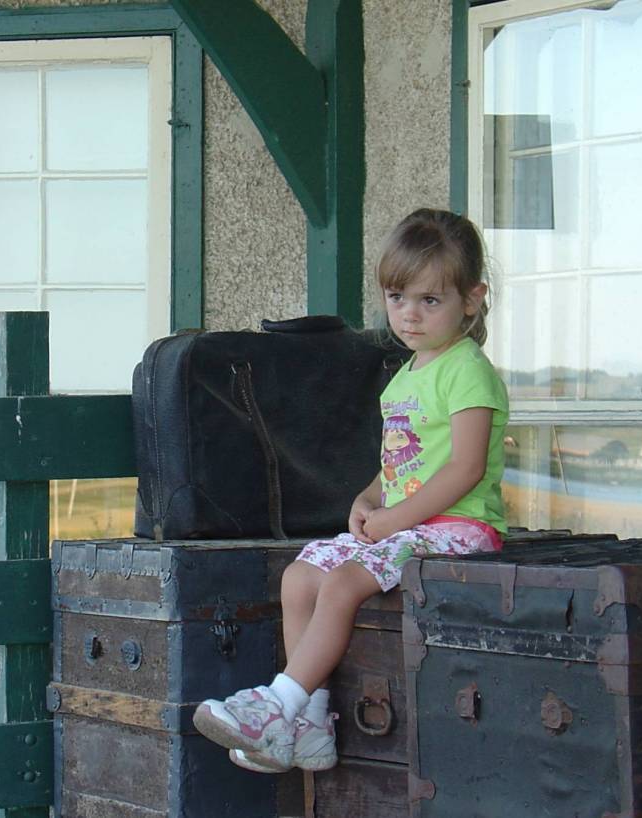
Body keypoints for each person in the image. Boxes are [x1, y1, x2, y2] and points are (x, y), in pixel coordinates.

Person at [193, 208, 510, 773]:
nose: (409, 314)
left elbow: (464, 468)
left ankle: (278, 704)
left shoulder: (467, 371)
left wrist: (396, 521)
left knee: (340, 585)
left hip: (458, 529)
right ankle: (309, 727)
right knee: (300, 577)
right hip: (407, 523)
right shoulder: (408, 372)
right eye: (396, 297)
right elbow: (396, 465)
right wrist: (369, 501)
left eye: (429, 300)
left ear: (472, 298)